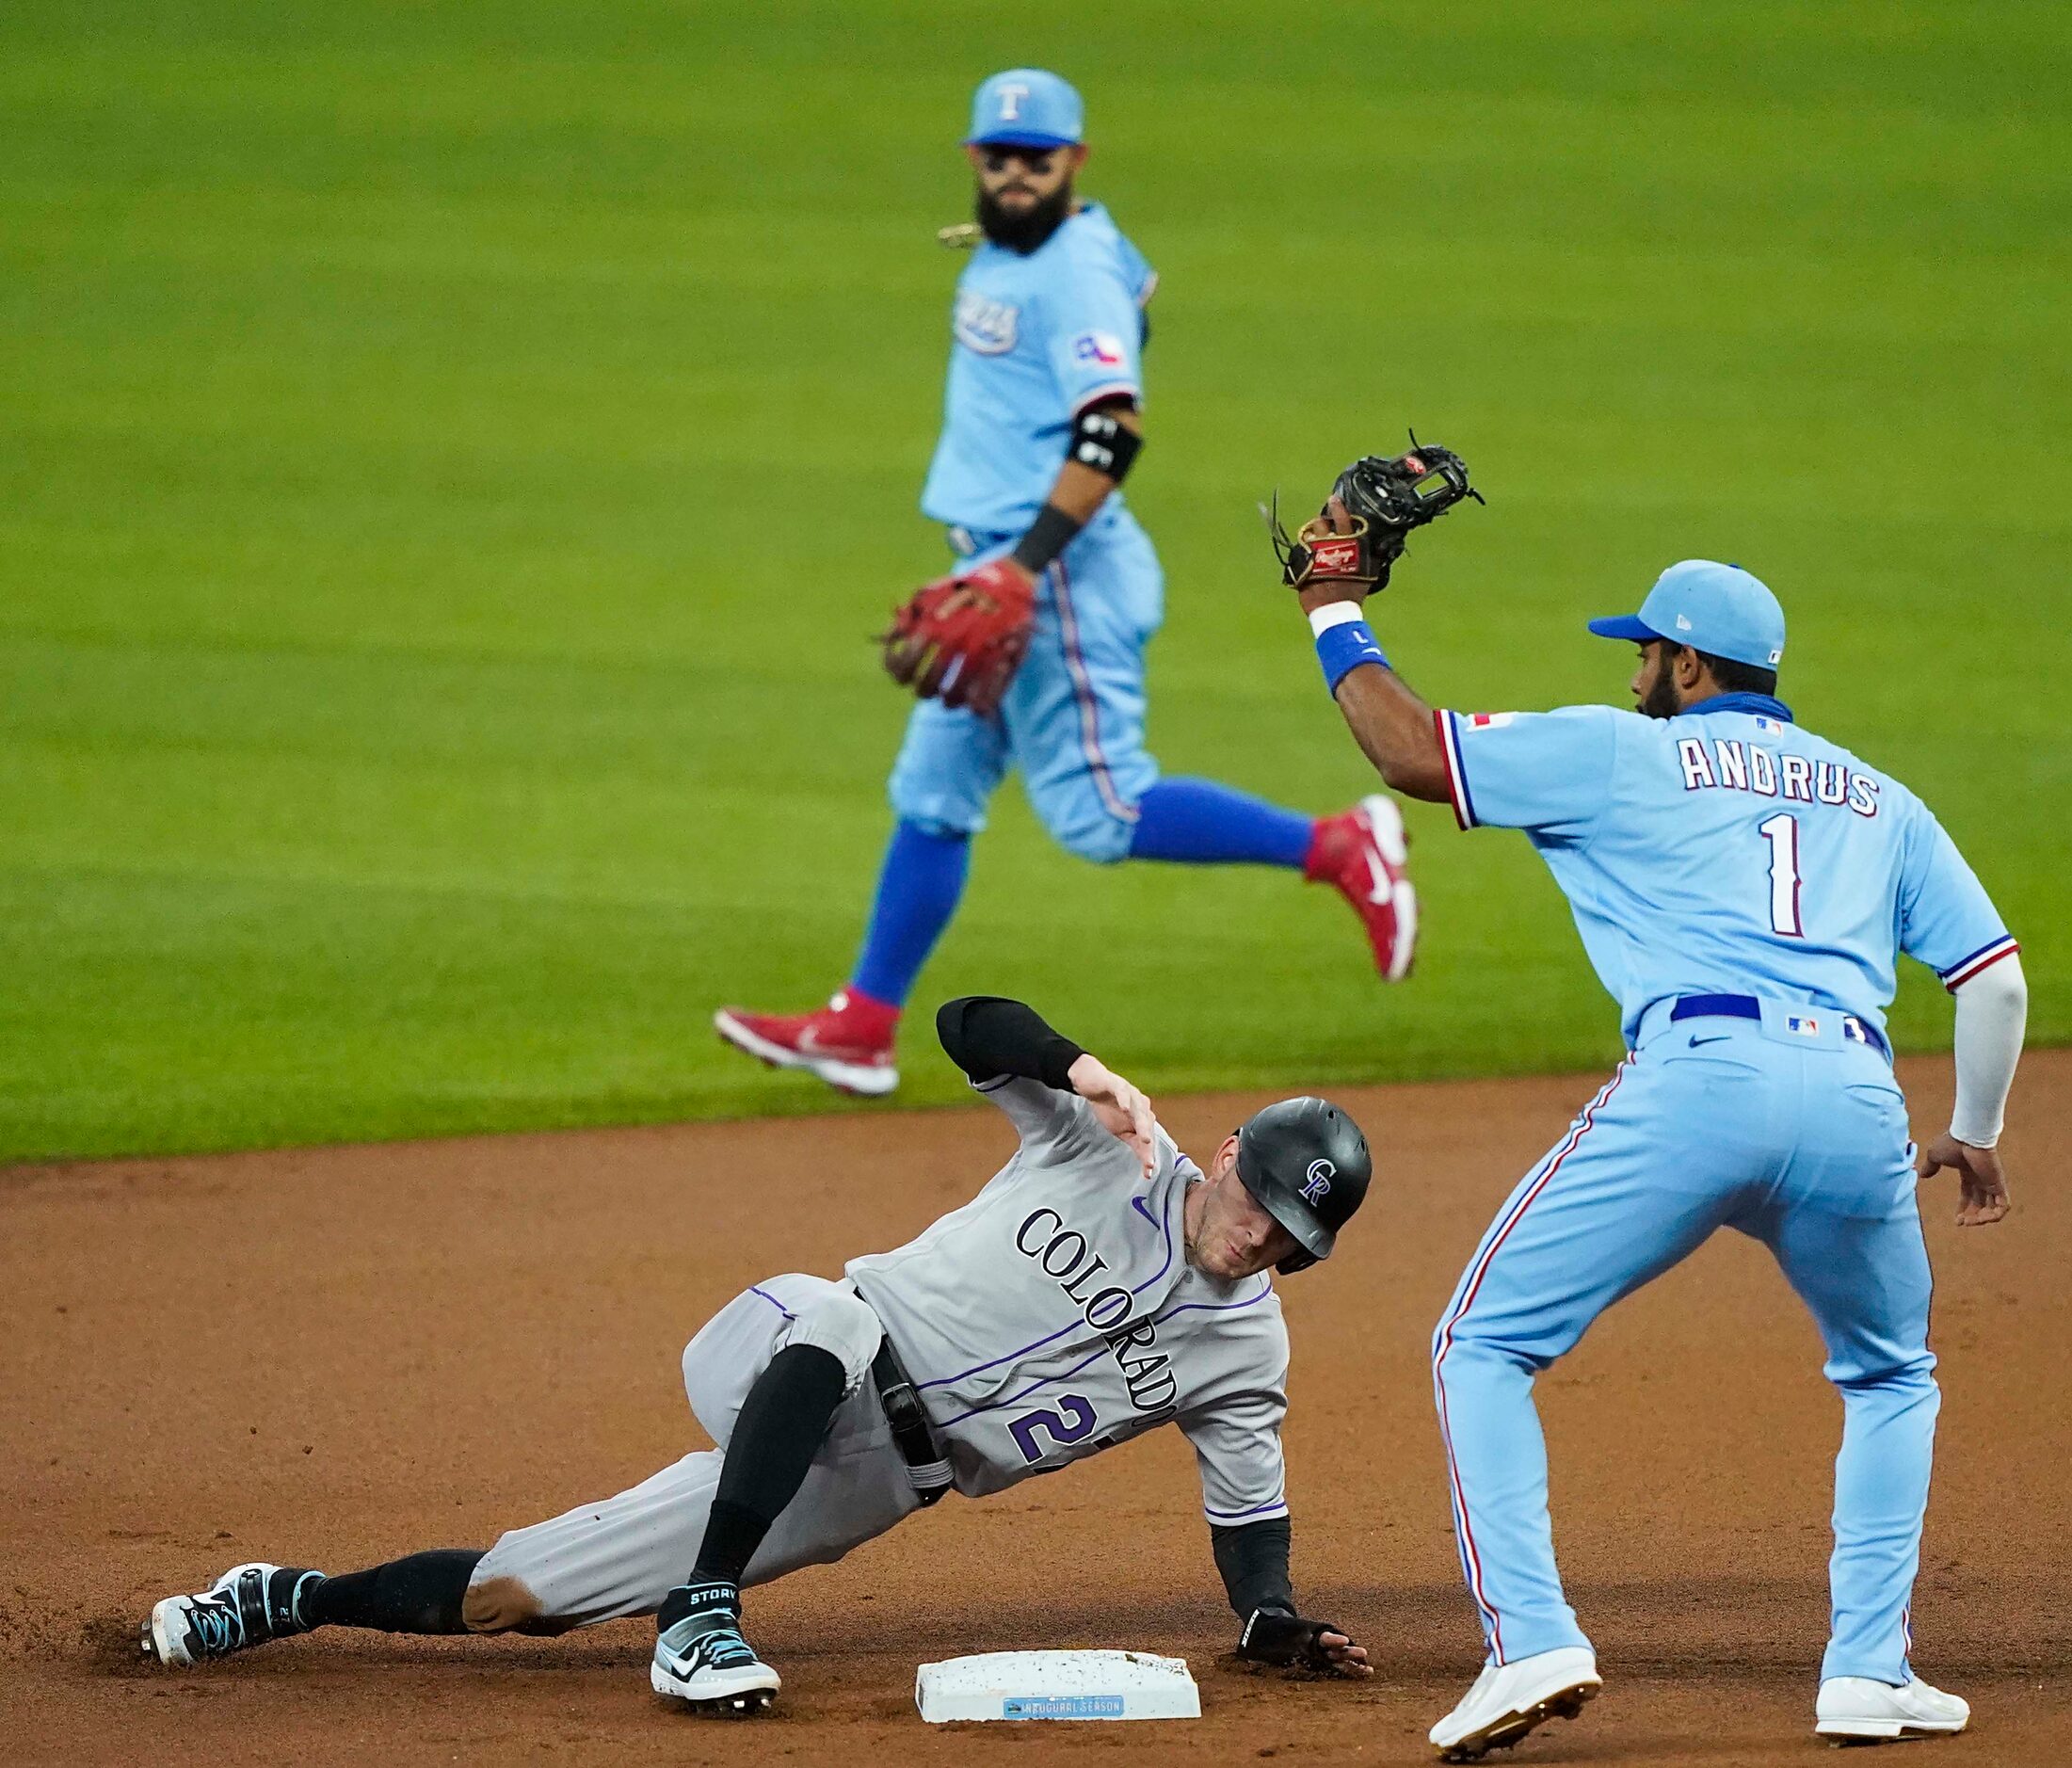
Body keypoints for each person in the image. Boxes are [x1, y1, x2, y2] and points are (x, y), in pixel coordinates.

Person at [1282, 531, 2024, 1758]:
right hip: (1854, 1095)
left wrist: (1331, 606)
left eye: (1644, 653)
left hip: (1699, 1083)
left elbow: (1412, 749)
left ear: (1686, 660)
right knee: (1892, 1373)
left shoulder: (1624, 751)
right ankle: (1866, 1671)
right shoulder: (1877, 794)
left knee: (1482, 1341)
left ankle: (1530, 1640)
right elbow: (1990, 981)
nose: (1633, 672)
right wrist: (1975, 1130)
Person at [142, 996, 1376, 1712]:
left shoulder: (1245, 1352)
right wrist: (1081, 1067)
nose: (1260, 1229)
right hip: (794, 1341)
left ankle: (283, 1595)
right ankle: (702, 1610)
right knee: (842, 1319)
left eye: (1291, 1229)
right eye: (1259, 1194)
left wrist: (1268, 1616)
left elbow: (1249, 1510)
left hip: (869, 1480)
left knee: (517, 1594)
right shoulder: (1098, 1150)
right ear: (1226, 1154)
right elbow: (964, 1023)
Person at [714, 69, 1416, 1099]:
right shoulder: (1041, 247)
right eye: (997, 160)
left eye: (1035, 160)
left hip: (1054, 576)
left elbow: (1110, 426)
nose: (1013, 177)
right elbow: (1141, 292)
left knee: (1100, 812)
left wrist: (1020, 566)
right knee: (934, 795)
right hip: (995, 566)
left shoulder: (1070, 270)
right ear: (972, 161)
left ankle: (1341, 845)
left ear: (1072, 162)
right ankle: (861, 1024)